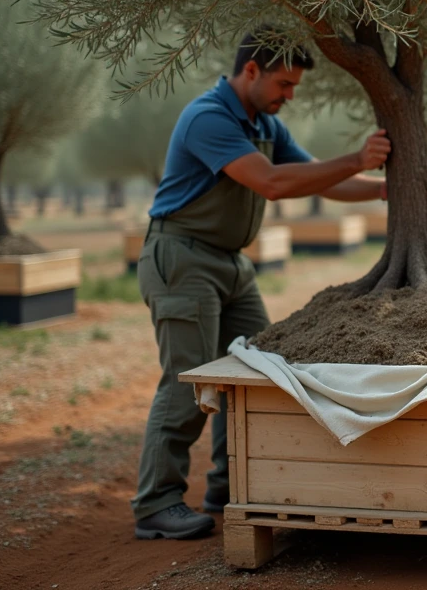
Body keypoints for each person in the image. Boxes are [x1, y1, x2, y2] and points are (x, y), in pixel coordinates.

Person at [133, 30, 398, 540]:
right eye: (283, 83)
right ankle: (156, 503)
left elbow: (317, 178)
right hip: (182, 258)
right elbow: (273, 183)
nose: (289, 96)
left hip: (231, 265)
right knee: (188, 382)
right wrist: (356, 159)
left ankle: (229, 486)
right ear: (250, 71)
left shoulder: (265, 123)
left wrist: (386, 188)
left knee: (261, 373)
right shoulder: (209, 117)